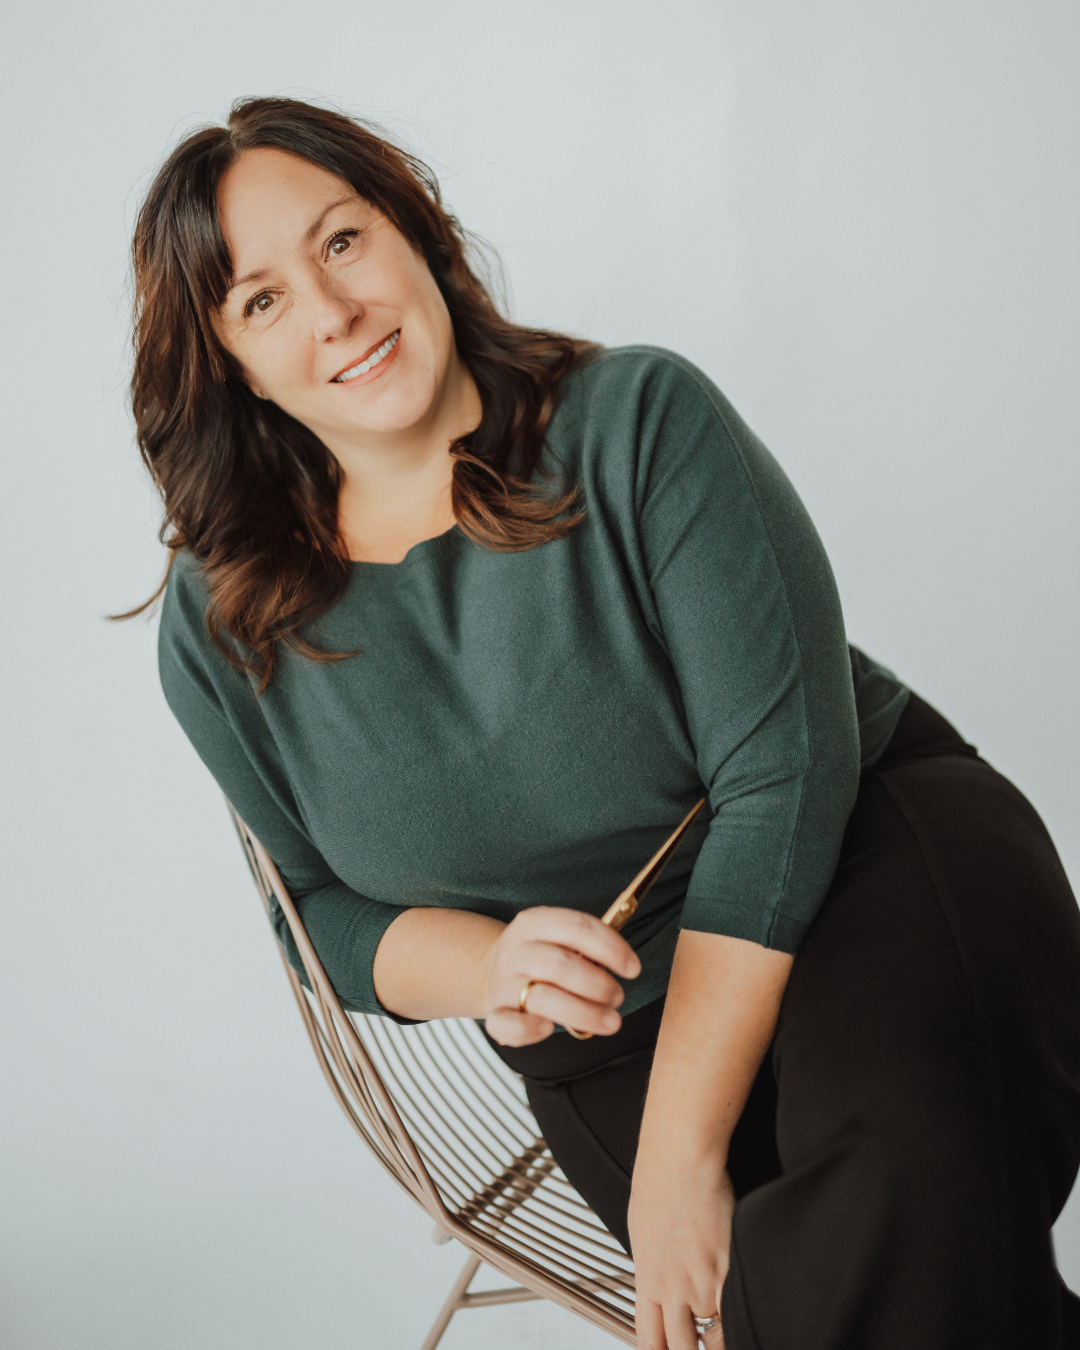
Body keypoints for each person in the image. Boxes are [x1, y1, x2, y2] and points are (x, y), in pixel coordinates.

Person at [125, 96, 1080, 1349]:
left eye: (343, 242)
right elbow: (317, 916)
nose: (332, 310)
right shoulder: (221, 625)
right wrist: (489, 964)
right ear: (232, 365)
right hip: (611, 1018)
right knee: (803, 1295)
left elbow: (783, 776)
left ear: (415, 234)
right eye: (261, 300)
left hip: (867, 862)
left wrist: (683, 1152)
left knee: (898, 1175)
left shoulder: (634, 421)